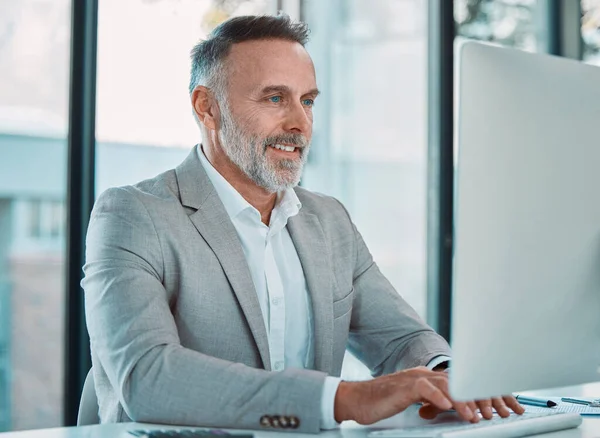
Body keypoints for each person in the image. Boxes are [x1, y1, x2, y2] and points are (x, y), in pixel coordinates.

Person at [82, 14, 523, 433]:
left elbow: (400, 339)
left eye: (307, 101)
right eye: (275, 98)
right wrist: (343, 399)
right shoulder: (133, 215)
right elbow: (148, 379)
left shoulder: (328, 220)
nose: (300, 123)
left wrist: (446, 377)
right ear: (207, 108)